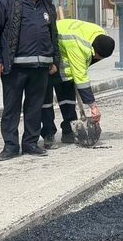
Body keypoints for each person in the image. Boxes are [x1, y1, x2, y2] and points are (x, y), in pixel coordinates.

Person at [0, 0, 60, 161]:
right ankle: (10, 146)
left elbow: (54, 34)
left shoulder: (47, 4)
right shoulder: (6, 1)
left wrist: (54, 60)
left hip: (41, 67)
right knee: (12, 108)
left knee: (35, 107)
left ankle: (30, 143)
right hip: (14, 67)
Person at [41, 19, 115, 148]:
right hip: (47, 54)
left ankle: (68, 131)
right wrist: (93, 106)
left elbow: (82, 68)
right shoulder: (79, 46)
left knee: (68, 99)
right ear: (94, 50)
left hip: (65, 58)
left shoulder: (101, 35)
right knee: (46, 101)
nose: (98, 60)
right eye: (99, 57)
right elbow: (81, 77)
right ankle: (48, 134)